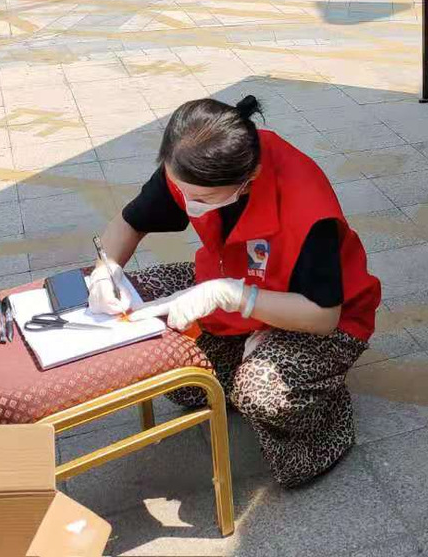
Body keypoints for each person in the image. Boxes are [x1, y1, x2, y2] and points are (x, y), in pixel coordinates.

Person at [87, 95, 381, 488]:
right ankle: (247, 359)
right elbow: (130, 222)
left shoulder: (306, 205)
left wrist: (235, 296)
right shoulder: (191, 162)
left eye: (202, 199)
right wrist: (105, 271)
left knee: (260, 392)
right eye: (179, 189)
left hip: (318, 318)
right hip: (231, 285)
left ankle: (326, 417)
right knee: (174, 368)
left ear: (249, 178)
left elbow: (324, 315)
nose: (187, 203)